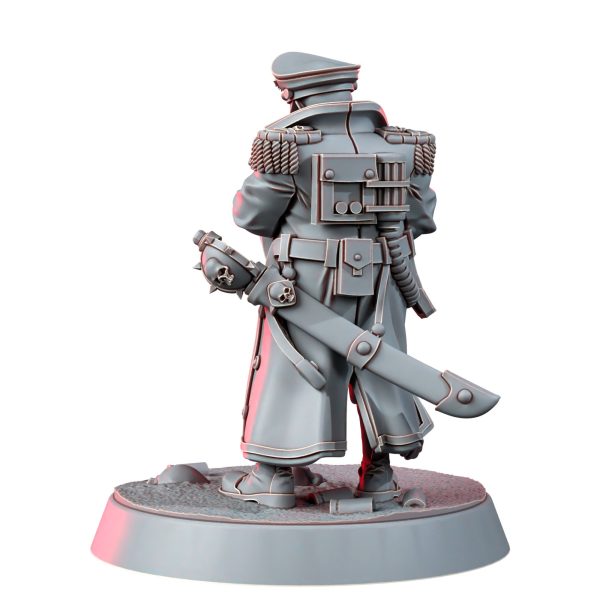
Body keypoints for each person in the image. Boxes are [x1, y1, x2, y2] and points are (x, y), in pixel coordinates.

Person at [220, 52, 438, 508]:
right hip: (384, 277)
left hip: (305, 280)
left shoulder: (285, 145)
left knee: (296, 367)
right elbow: (420, 218)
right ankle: (379, 474)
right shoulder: (405, 144)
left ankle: (274, 476)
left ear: (293, 93)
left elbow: (252, 215)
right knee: (381, 367)